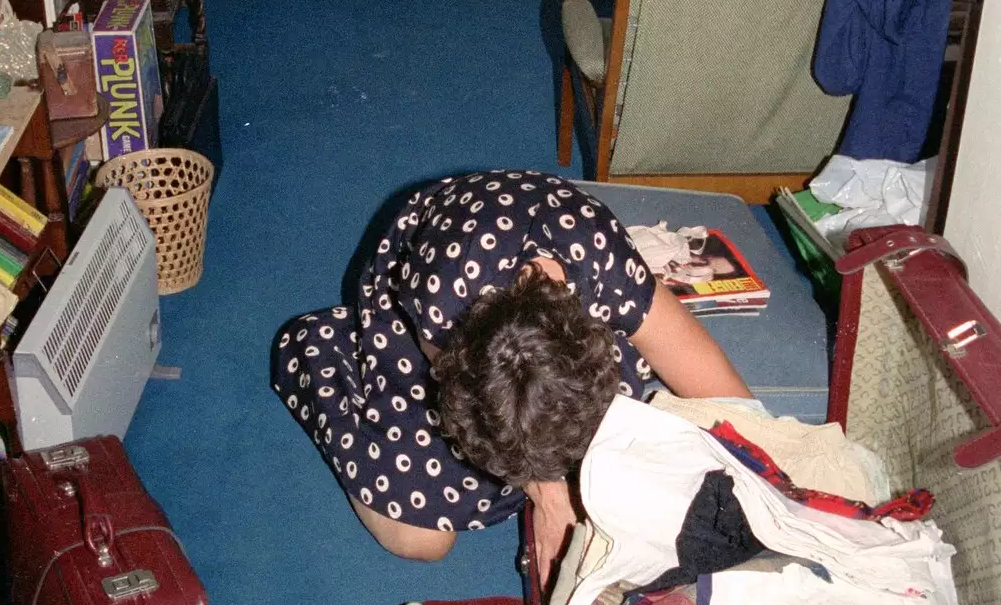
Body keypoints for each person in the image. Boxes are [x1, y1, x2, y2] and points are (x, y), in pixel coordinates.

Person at [270, 171, 751, 582]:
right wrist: (550, 496)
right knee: (419, 539)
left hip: (539, 269)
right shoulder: (442, 308)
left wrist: (768, 468)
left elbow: (712, 381)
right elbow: (491, 417)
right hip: (416, 311)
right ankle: (322, 351)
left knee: (632, 438)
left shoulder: (605, 266)